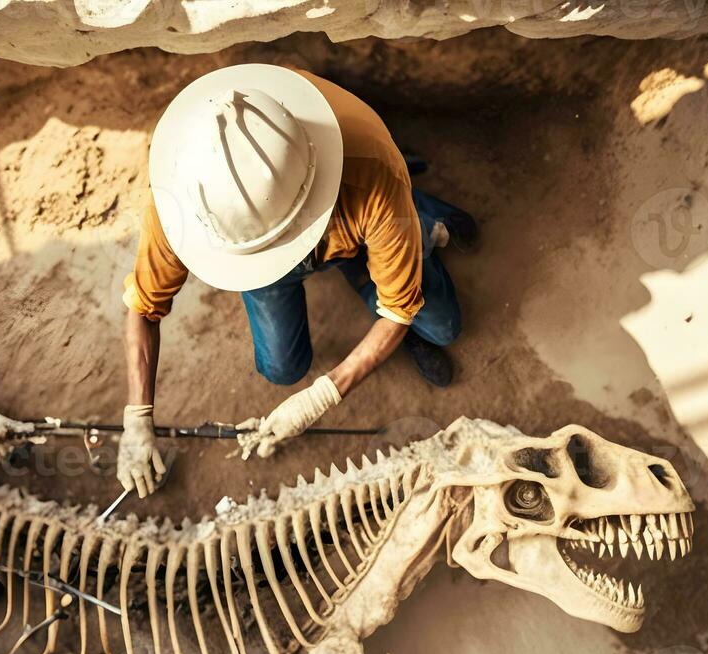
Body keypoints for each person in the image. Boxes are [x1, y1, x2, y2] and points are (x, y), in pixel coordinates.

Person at [115, 63, 476, 498]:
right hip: (296, 247)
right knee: (282, 369)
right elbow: (143, 307)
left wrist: (322, 396)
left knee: (442, 325)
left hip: (359, 215)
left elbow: (399, 307)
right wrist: (137, 417)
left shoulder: (369, 170)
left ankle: (419, 214)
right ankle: (393, 245)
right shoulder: (183, 196)